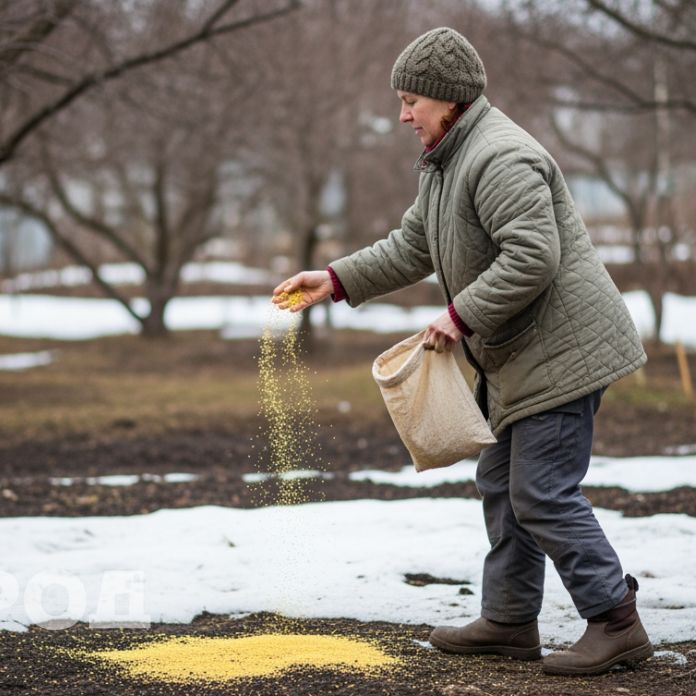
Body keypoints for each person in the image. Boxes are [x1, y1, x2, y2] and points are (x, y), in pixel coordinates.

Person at [272, 27, 650, 676]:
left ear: (449, 100)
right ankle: (509, 620)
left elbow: (533, 256)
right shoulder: (448, 162)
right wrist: (334, 280)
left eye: (411, 101)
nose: (403, 115)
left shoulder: (499, 157)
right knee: (501, 485)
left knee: (541, 492)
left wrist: (459, 315)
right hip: (520, 356)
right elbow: (413, 245)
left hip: (564, 353)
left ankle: (617, 622)